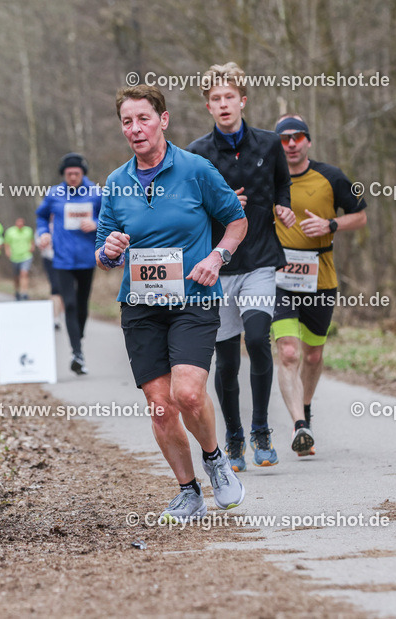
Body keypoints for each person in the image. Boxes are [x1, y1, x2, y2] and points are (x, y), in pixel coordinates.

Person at [96, 84, 248, 524]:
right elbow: (104, 255)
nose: (135, 128)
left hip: (193, 298)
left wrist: (218, 257)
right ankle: (189, 493)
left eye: (143, 118)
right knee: (161, 407)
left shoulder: (196, 170)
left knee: (187, 394)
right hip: (140, 305)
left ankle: (216, 460)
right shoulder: (116, 182)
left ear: (163, 120)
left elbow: (236, 221)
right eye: (127, 121)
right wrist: (110, 249)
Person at [186, 62, 295, 472]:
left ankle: (261, 429)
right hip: (219, 267)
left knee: (257, 337)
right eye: (215, 99)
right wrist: (223, 204)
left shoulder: (269, 145)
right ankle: (233, 437)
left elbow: (283, 183)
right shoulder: (197, 153)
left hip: (261, 261)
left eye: (229, 96)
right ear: (208, 107)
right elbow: (192, 210)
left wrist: (282, 207)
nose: (223, 104)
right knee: (227, 359)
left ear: (242, 100)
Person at [272, 115, 367, 456]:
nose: (292, 143)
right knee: (288, 352)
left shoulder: (332, 176)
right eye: (284, 139)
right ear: (277, 144)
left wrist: (330, 224)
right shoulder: (267, 179)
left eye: (298, 137)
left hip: (320, 277)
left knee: (312, 354)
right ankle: (299, 425)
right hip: (279, 277)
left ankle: (306, 414)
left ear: (308, 141)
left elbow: (361, 215)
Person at [36, 153, 104, 375]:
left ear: (83, 173)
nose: (73, 177)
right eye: (68, 174)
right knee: (70, 304)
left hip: (87, 258)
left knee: (82, 305)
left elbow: (110, 217)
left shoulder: (95, 193)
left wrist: (95, 223)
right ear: (63, 175)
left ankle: (77, 338)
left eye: (76, 173)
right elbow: (41, 217)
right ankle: (77, 352)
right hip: (63, 259)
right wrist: (43, 233)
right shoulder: (54, 194)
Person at [4, 217, 35, 301]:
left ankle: (24, 293)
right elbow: (6, 243)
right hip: (15, 257)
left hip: (26, 255)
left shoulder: (28, 230)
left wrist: (32, 247)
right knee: (16, 276)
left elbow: (32, 240)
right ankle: (17, 291)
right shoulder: (10, 232)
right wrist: (7, 252)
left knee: (24, 273)